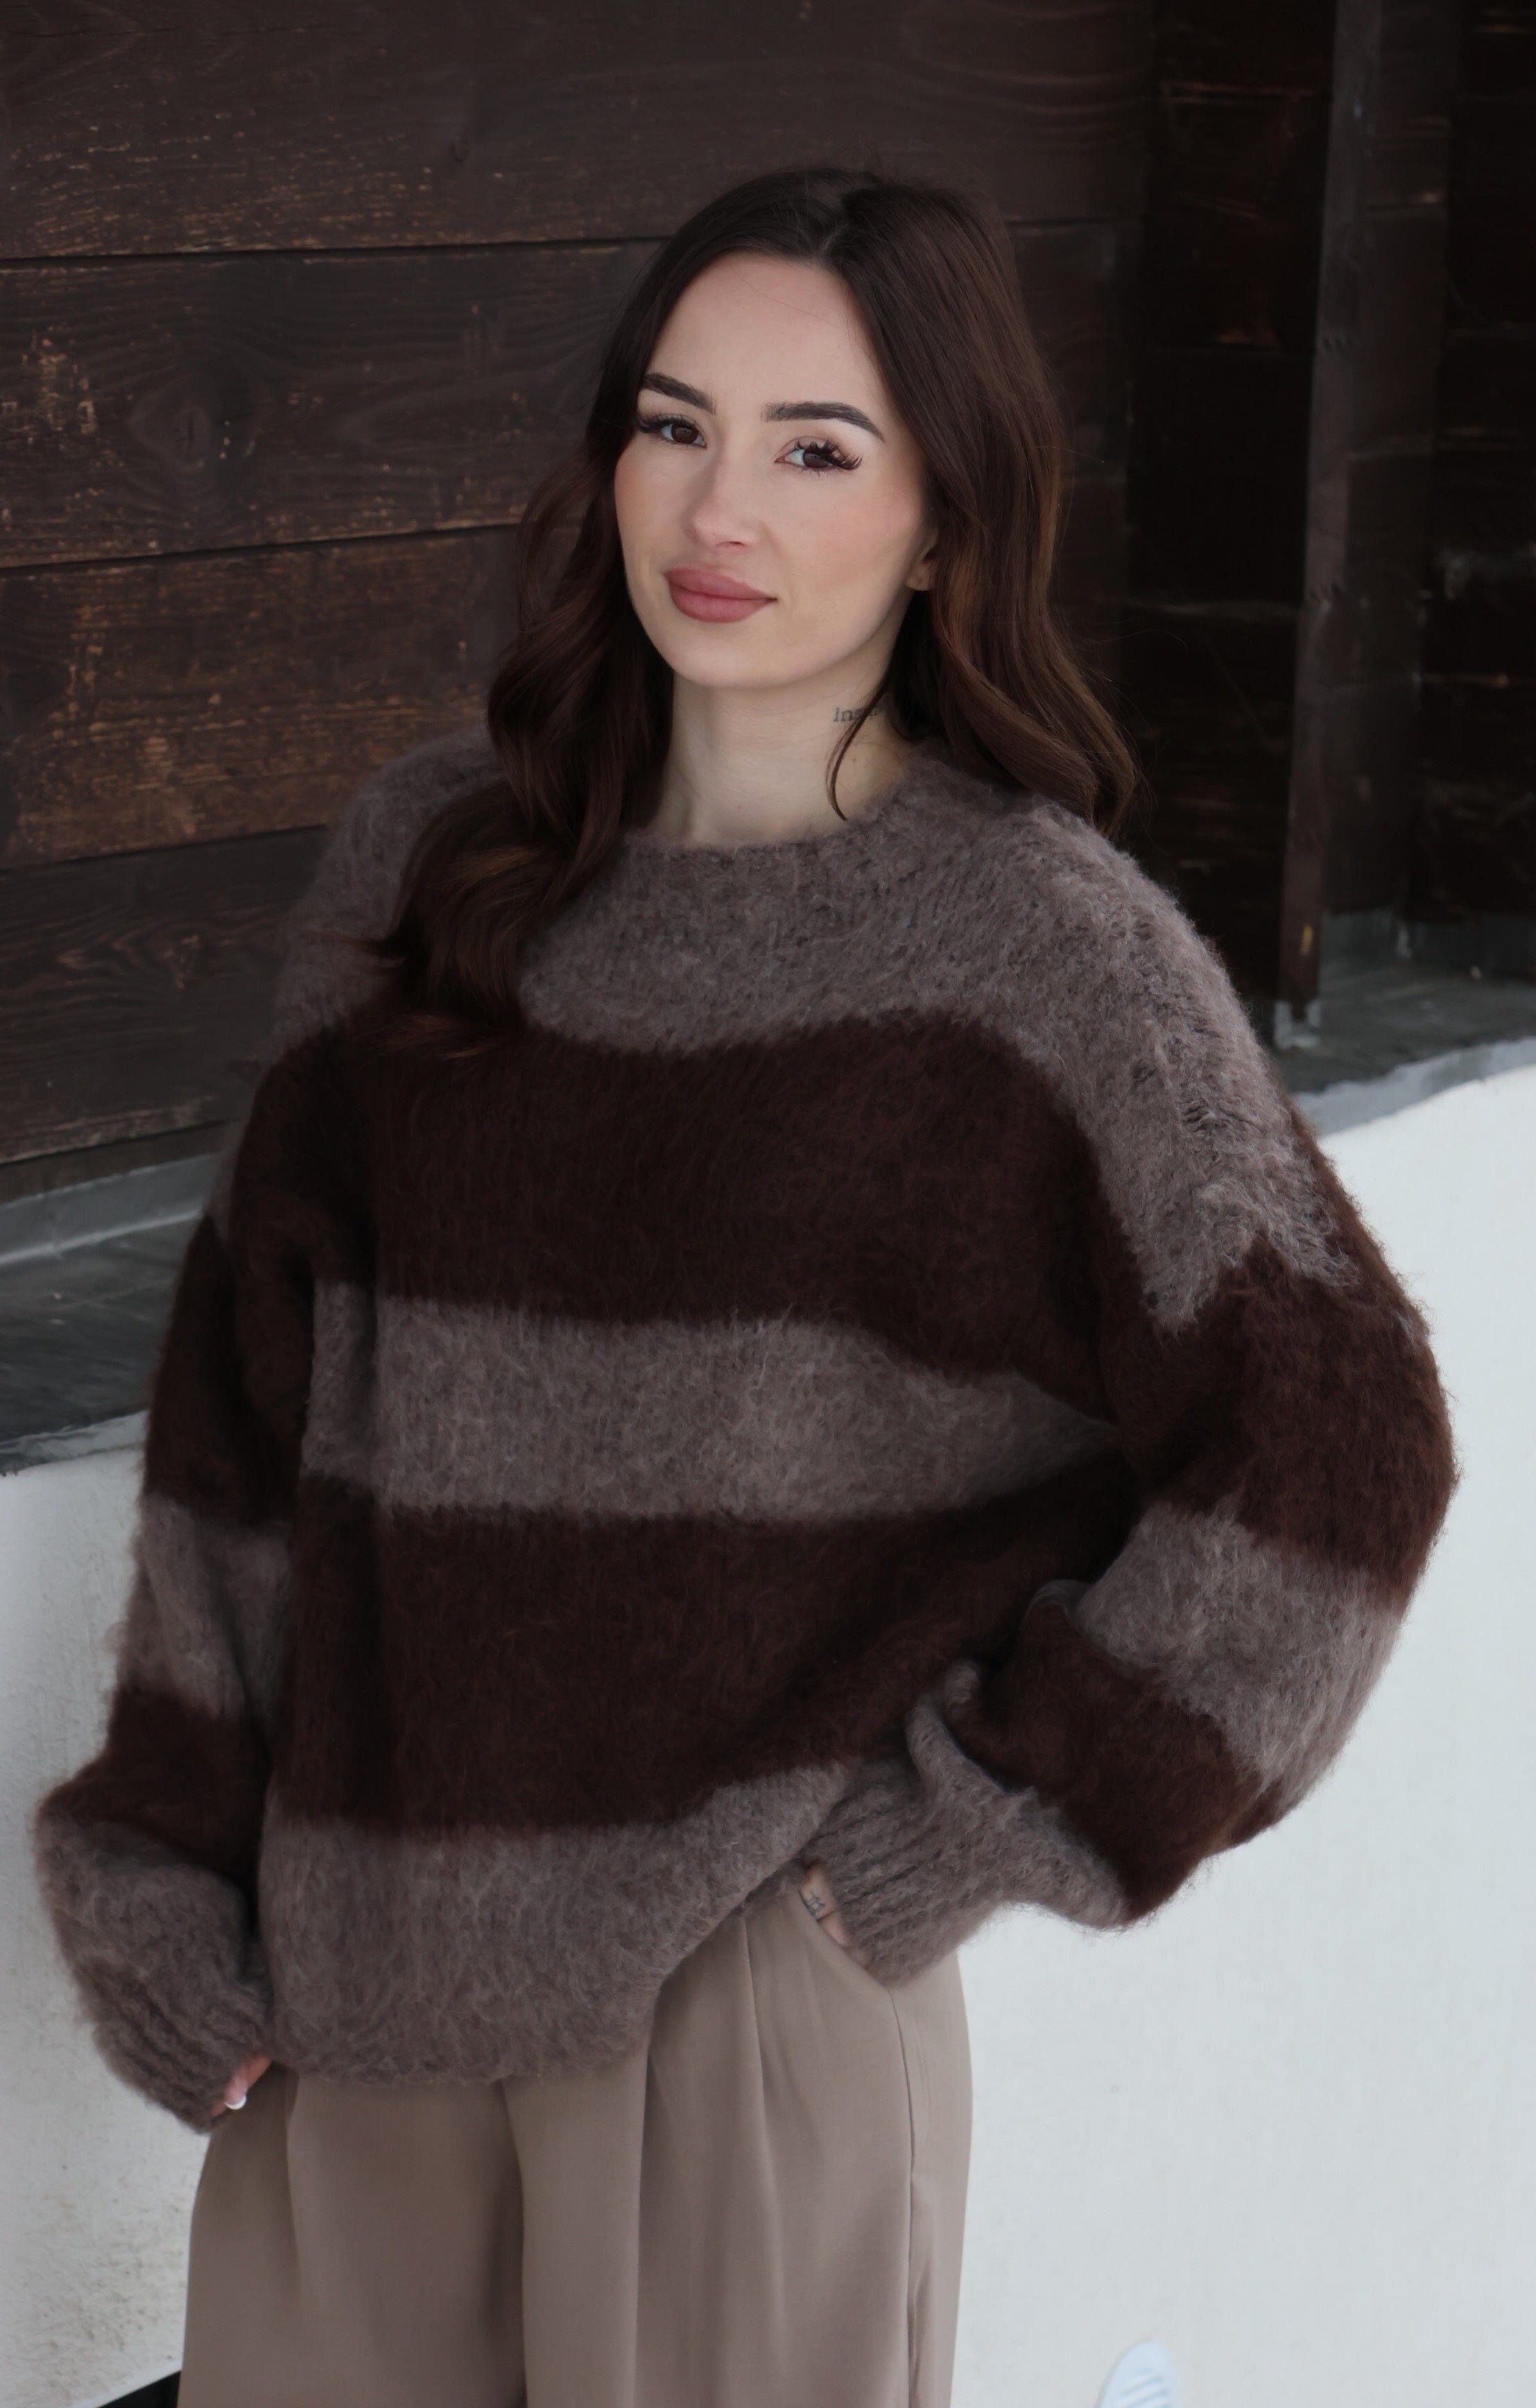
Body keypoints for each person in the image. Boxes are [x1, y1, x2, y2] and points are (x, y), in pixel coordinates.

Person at [31, 164, 1460, 2408]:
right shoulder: (431, 868)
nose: (719, 508)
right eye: (676, 426)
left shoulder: (1043, 958)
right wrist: (160, 1863)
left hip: (733, 2026)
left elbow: (1338, 1455)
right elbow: (248, 1420)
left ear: (946, 520)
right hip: (356, 1998)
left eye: (816, 448)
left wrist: (950, 1844)